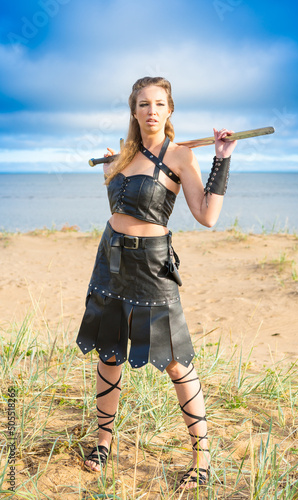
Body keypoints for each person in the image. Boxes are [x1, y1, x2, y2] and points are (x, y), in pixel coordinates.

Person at [76, 76, 237, 489]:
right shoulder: (122, 155)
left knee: (176, 360)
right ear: (133, 110)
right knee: (109, 352)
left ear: (169, 110)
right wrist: (111, 171)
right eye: (143, 103)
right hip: (110, 260)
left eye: (159, 104)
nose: (151, 110)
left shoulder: (181, 156)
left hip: (152, 267)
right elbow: (120, 207)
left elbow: (207, 215)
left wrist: (222, 157)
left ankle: (201, 459)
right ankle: (103, 442)